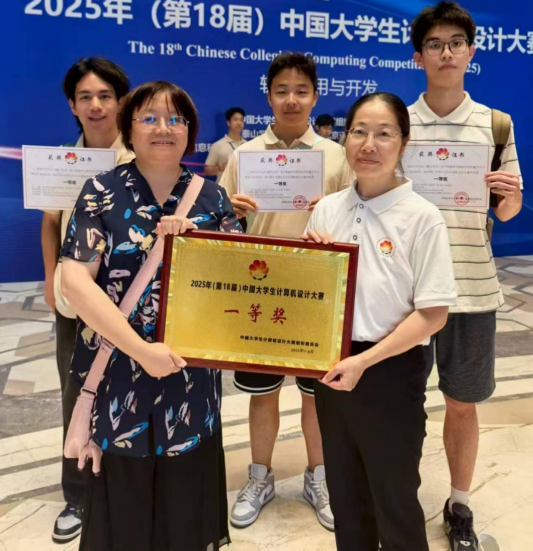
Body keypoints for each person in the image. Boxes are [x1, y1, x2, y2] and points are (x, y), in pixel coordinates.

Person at [60, 81, 242, 551]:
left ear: (190, 131)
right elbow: (76, 281)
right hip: (118, 374)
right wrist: (141, 350)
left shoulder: (213, 199)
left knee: (186, 500)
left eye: (176, 119)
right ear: (129, 127)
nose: (164, 128)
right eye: (149, 118)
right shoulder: (100, 191)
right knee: (124, 503)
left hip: (190, 380)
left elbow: (241, 282)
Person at [303, 92, 457, 551]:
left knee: (394, 499)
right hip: (332, 365)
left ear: (403, 143)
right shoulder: (327, 209)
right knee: (345, 496)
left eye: (384, 134)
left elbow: (432, 314)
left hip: (391, 371)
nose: (369, 144)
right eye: (359, 132)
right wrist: (307, 262)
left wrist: (365, 362)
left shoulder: (422, 218)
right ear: (345, 138)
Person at [220, 53, 352, 531]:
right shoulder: (244, 155)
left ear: (315, 96)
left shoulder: (338, 156)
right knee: (262, 393)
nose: (291, 99)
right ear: (269, 96)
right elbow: (219, 221)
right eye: (281, 90)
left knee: (318, 395)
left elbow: (361, 219)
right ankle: (260, 477)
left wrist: (335, 209)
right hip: (260, 288)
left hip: (319, 290)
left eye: (301, 90)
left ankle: (319, 478)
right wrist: (230, 210)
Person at [409, 1, 523, 550]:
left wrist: (510, 196)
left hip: (473, 289)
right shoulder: (398, 121)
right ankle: (397, 498)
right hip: (406, 294)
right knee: (401, 405)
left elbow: (507, 212)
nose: (446, 52)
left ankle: (459, 505)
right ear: (418, 56)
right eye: (434, 44)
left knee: (462, 401)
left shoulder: (496, 123)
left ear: (471, 52)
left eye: (456, 42)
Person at [41, 57, 133, 544]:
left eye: (104, 96)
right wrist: (49, 280)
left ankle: (123, 486)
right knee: (76, 393)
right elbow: (50, 223)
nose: (95, 105)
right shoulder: (61, 161)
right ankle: (77, 495)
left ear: (121, 102)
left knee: (129, 391)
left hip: (131, 304)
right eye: (85, 97)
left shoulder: (141, 157)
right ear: (72, 106)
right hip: (75, 304)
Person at [205, 107, 247, 182]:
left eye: (241, 120)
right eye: (235, 119)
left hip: (244, 187)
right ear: (228, 123)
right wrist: (219, 168)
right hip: (224, 187)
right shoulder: (218, 145)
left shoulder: (248, 145)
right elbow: (207, 170)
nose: (239, 123)